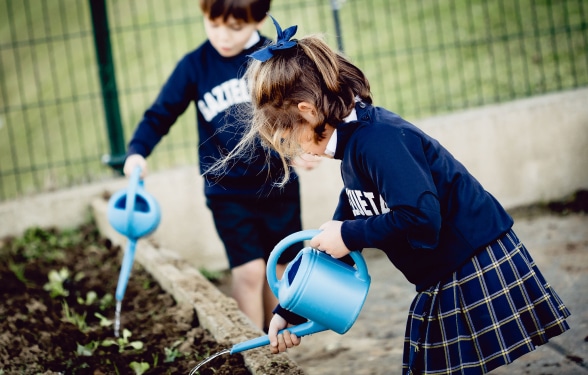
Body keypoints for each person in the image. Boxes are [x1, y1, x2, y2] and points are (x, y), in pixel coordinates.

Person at [216, 16, 571, 374]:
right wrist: (288, 312)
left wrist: (348, 235)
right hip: (443, 273)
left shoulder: (379, 140)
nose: (291, 147)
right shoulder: (354, 151)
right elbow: (338, 238)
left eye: (286, 136)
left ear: (306, 111)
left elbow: (421, 220)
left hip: (472, 264)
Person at [123, 1, 316, 331]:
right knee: (249, 271)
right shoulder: (195, 66)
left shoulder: (276, 57)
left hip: (277, 185)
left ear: (258, 17)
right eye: (214, 25)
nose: (223, 36)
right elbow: (161, 113)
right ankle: (250, 349)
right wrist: (138, 151)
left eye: (235, 27)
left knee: (281, 268)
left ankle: (277, 349)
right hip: (227, 192)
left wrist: (304, 145)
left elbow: (302, 106)